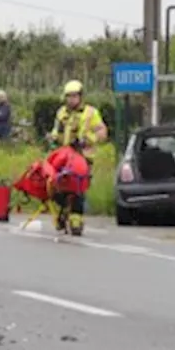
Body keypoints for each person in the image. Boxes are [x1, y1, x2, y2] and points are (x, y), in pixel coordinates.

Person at [46, 80, 107, 236]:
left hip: (83, 157)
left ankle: (76, 220)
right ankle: (63, 212)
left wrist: (88, 140)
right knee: (56, 185)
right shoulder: (62, 113)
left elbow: (102, 132)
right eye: (69, 96)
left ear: (80, 97)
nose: (71, 100)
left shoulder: (91, 113)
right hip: (64, 157)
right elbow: (56, 131)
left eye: (74, 96)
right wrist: (52, 139)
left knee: (78, 187)